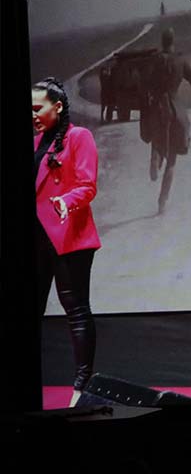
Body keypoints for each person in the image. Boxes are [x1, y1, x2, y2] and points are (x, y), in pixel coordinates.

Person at [32, 77, 102, 407]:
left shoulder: (78, 137)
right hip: (36, 240)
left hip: (68, 236)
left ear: (57, 107)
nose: (33, 115)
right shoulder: (35, 142)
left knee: (75, 310)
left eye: (37, 108)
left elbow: (87, 186)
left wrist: (65, 201)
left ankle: (81, 385)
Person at [141, 27, 191, 214]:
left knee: (157, 141)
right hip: (174, 109)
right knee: (172, 160)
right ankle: (162, 202)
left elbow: (146, 82)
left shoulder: (155, 60)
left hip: (157, 108)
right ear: (173, 41)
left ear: (162, 41)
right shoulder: (180, 60)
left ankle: (156, 157)